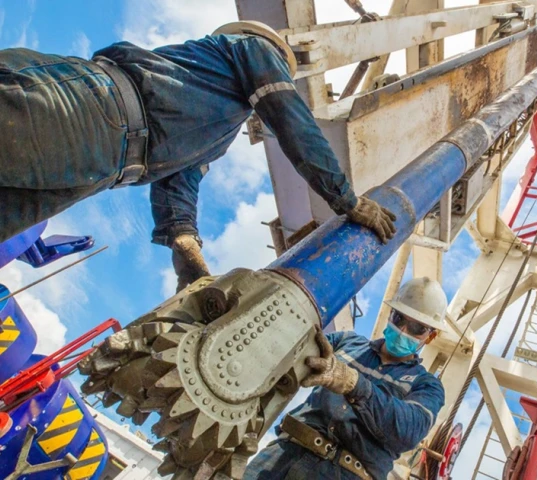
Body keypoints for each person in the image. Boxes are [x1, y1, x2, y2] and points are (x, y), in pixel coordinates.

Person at [0, 21, 396, 291]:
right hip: (89, 108)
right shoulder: (249, 47)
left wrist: (185, 246)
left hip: (104, 164)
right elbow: (293, 121)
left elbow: (179, 183)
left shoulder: (216, 132)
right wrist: (346, 199)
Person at [244, 277, 449, 480]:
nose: (403, 330)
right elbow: (297, 350)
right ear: (390, 314)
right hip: (284, 453)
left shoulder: (427, 386)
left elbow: (407, 431)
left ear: (430, 336)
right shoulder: (347, 342)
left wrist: (354, 384)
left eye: (417, 328)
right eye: (399, 319)